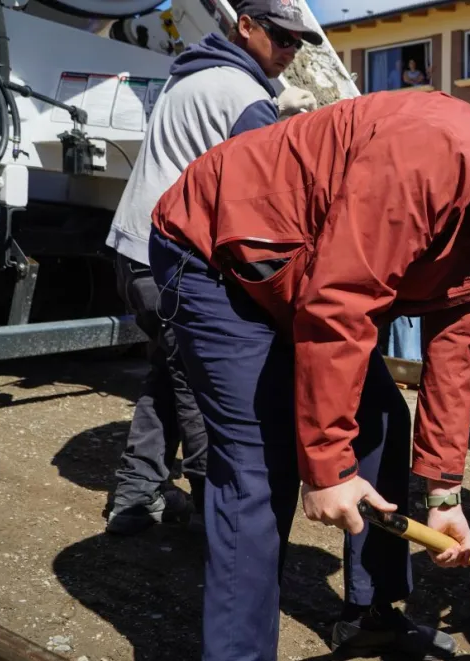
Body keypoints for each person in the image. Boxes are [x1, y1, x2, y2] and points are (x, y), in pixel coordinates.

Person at [148, 84, 470, 660]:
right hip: (222, 255)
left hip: (302, 275)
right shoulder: (432, 151)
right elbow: (341, 303)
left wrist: (445, 491)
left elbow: (455, 346)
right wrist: (329, 468)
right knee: (260, 466)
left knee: (383, 421)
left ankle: (373, 614)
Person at [102, 0, 321, 534]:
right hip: (172, 260)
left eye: (298, 43)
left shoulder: (192, 73)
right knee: (206, 389)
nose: (290, 52)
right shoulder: (245, 97)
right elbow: (263, 203)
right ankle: (218, 519)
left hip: (134, 251)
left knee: (171, 372)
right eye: (281, 39)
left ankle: (136, 498)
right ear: (245, 27)